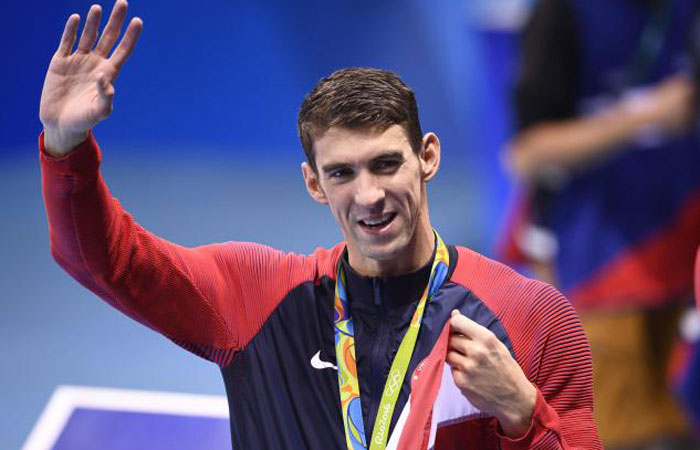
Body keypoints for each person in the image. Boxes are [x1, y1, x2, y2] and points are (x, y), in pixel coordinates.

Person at [39, 1, 601, 449]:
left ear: (427, 156)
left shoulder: (533, 318)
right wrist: (66, 145)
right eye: (342, 173)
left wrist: (523, 415)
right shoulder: (252, 296)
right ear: (314, 183)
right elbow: (108, 262)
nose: (370, 195)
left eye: (386, 164)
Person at [499, 0, 700, 449]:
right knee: (615, 434)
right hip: (603, 271)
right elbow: (526, 154)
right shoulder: (562, 14)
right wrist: (646, 116)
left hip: (687, 264)